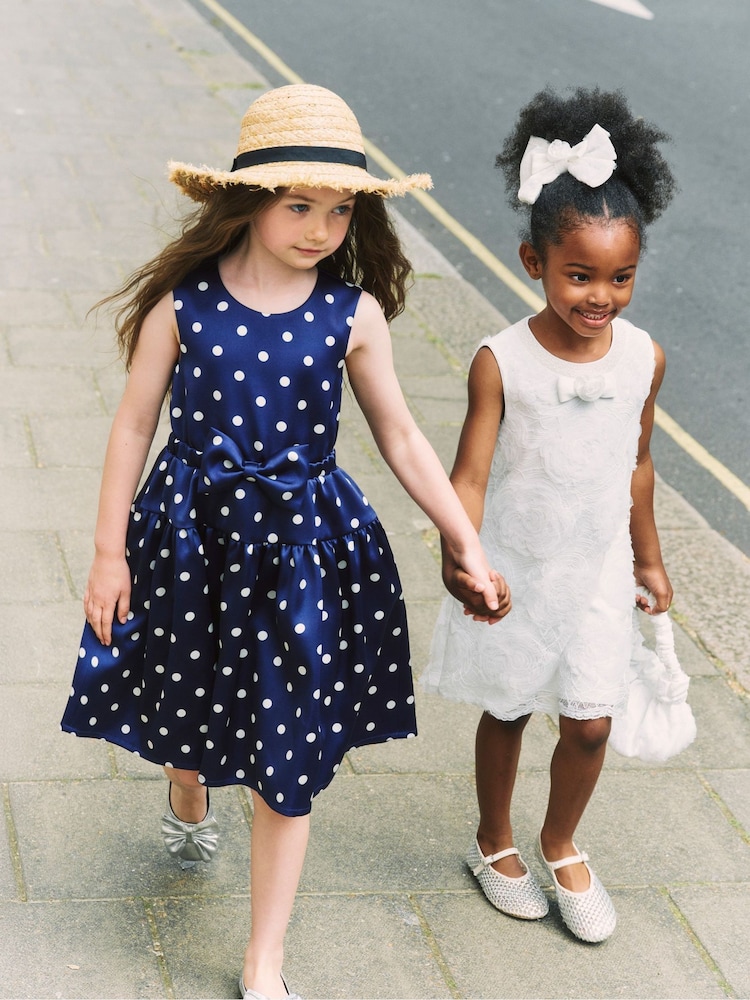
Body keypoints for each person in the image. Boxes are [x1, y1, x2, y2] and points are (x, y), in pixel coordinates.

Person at [61, 84, 509, 1000]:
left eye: (340, 210)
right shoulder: (182, 308)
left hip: (303, 553)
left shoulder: (354, 316)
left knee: (284, 756)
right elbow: (130, 427)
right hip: (189, 539)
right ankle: (185, 786)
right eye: (299, 205)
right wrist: (108, 553)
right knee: (183, 712)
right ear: (246, 198)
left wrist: (465, 536)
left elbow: (402, 438)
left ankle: (264, 962)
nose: (320, 227)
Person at [424, 86, 677, 943]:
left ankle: (560, 840)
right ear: (534, 261)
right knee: (509, 705)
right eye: (579, 275)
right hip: (519, 565)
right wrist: (462, 552)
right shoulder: (502, 361)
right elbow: (470, 473)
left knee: (592, 720)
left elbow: (639, 463)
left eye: (620, 276)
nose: (600, 295)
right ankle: (493, 841)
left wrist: (647, 558)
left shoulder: (645, 357)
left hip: (599, 564)